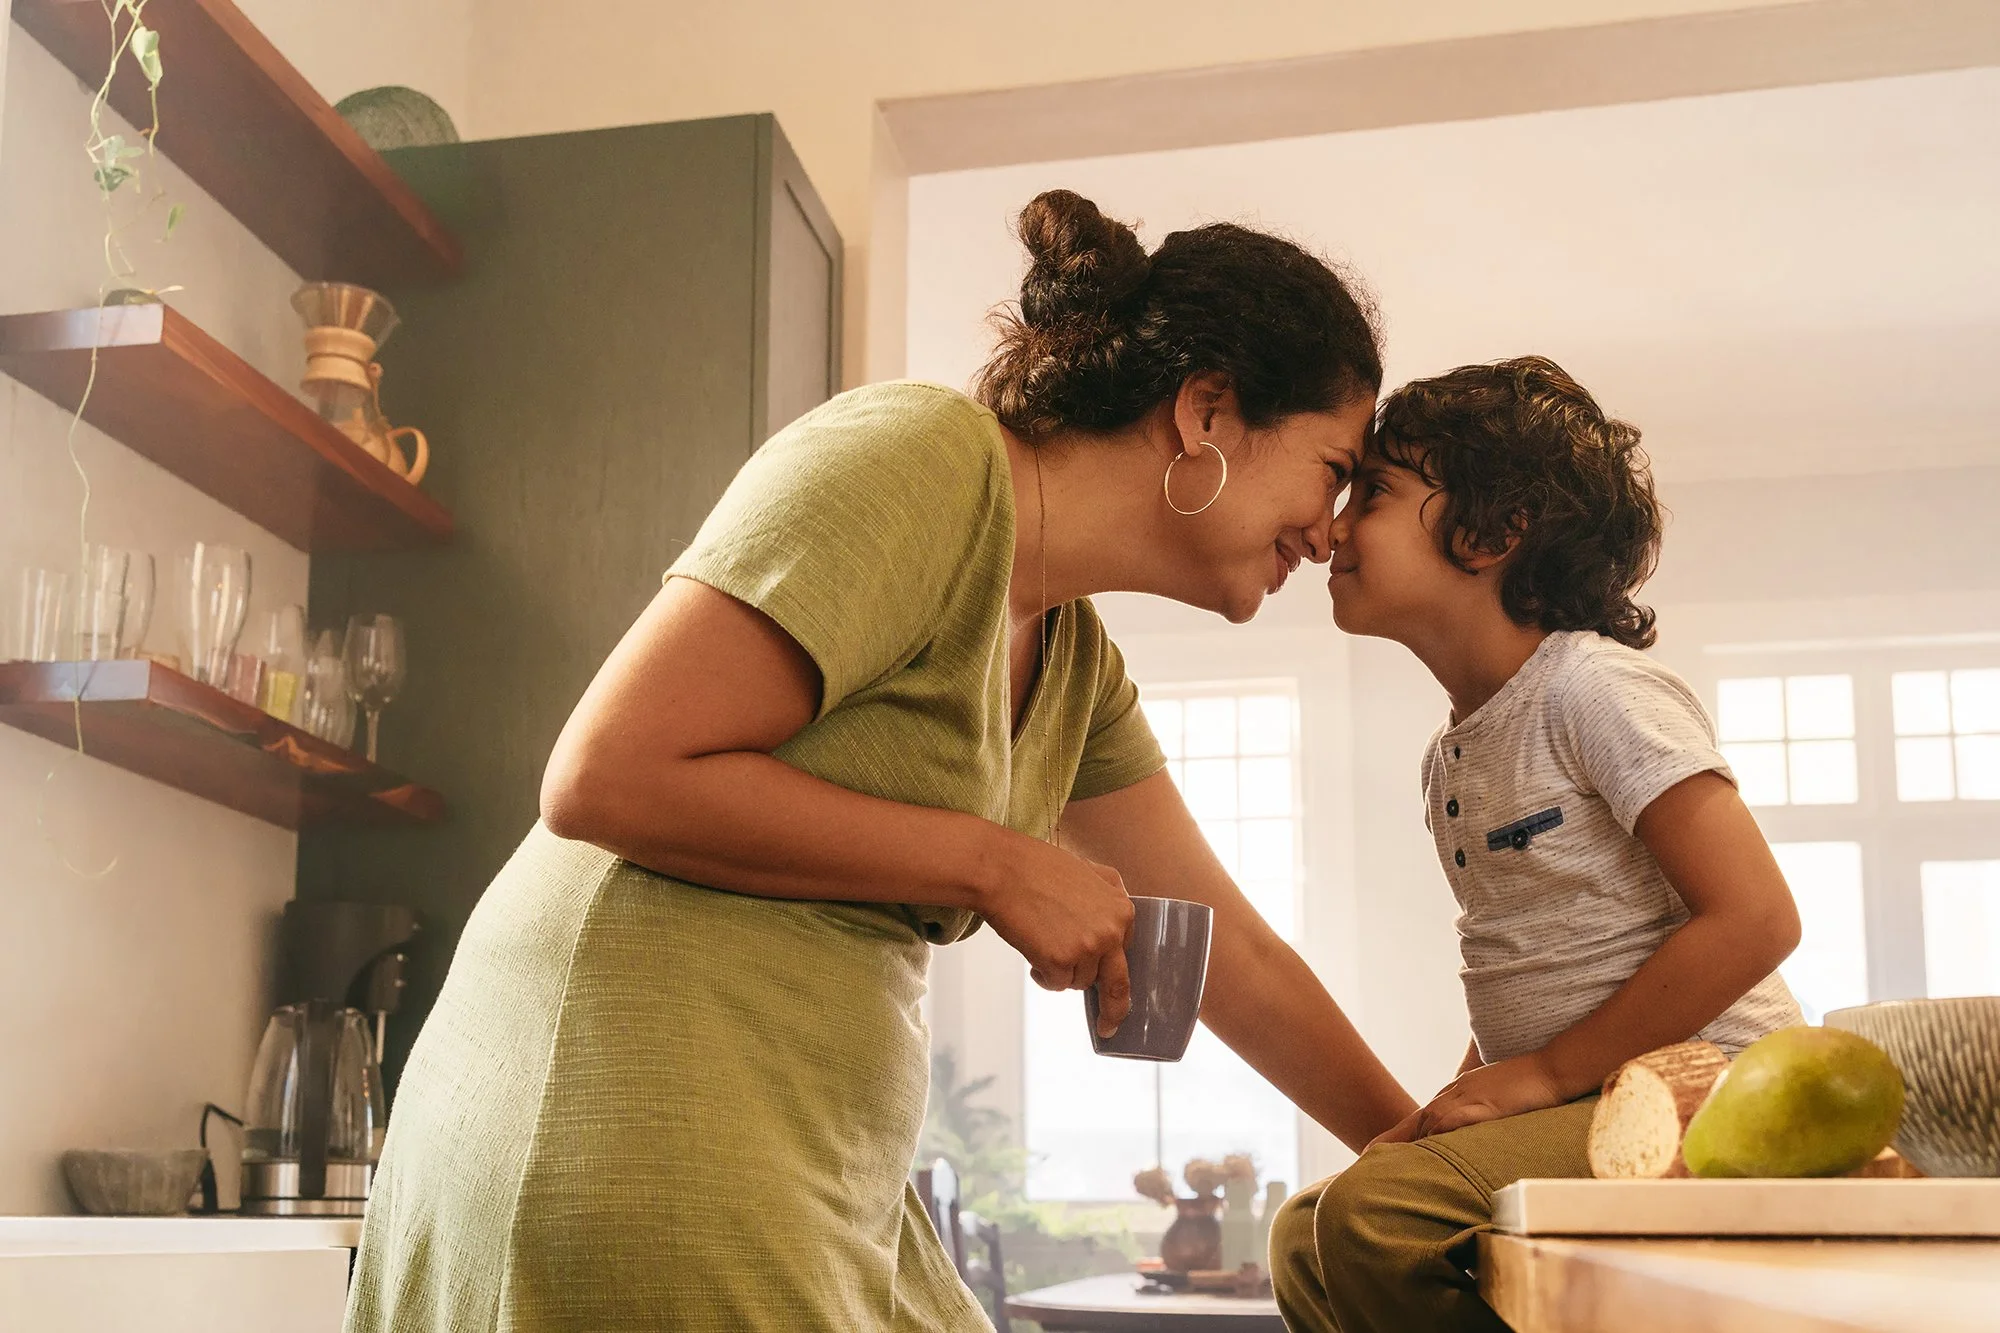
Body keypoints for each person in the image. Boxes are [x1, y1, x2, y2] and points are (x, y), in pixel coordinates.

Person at [343, 190, 1417, 1333]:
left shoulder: (1074, 664)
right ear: (1206, 410)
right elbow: (604, 773)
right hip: (626, 1105)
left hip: (811, 1154)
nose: (1330, 528)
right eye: (1331, 469)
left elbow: (1228, 948)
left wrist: (1425, 1165)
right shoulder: (924, 460)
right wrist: (996, 866)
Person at [1272, 357, 1803, 1333]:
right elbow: (1528, 961)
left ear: (1492, 531)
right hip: (1587, 1096)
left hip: (1713, 1091)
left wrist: (1546, 1075)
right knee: (1305, 1232)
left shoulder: (1591, 690)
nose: (1333, 530)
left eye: (1375, 492)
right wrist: (1461, 1098)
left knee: (1373, 1219)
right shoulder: (1452, 759)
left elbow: (1757, 916)